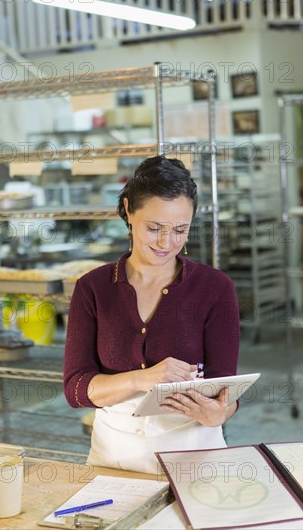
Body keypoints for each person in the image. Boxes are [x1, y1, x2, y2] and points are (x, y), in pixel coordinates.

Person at [64, 155, 240, 474]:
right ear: (130, 211)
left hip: (194, 454)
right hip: (115, 457)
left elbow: (223, 388)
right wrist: (142, 379)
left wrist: (220, 414)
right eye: (155, 228)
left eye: (179, 230)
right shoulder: (92, 288)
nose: (166, 242)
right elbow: (76, 389)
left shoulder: (215, 288)